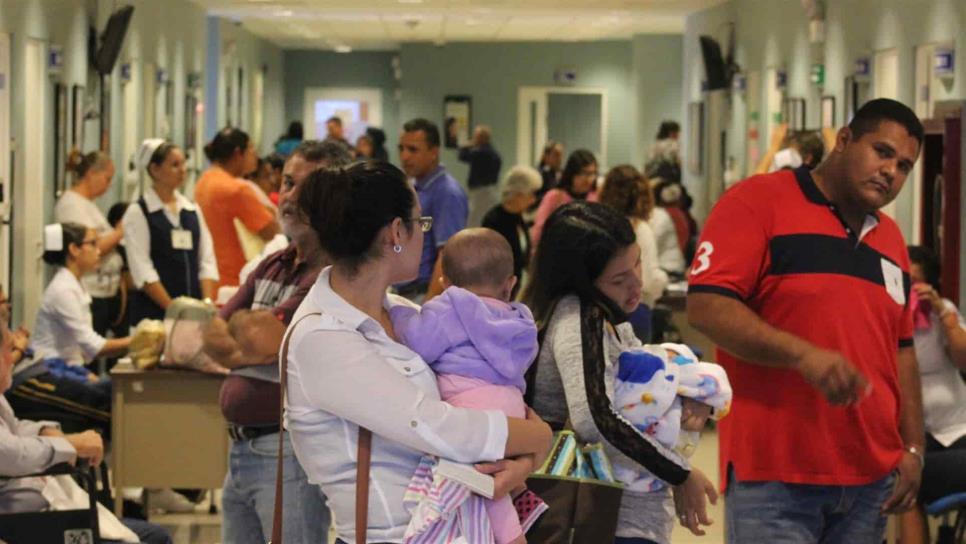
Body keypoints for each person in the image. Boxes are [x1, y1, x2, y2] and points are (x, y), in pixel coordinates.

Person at [687, 98, 926, 543]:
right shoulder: (758, 201)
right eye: (882, 151)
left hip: (869, 479)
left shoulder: (891, 240)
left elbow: (903, 350)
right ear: (844, 140)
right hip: (776, 477)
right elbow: (706, 305)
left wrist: (913, 448)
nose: (891, 171)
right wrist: (801, 354)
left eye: (905, 165)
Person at [284, 160, 552, 543]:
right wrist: (540, 438)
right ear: (396, 231)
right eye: (422, 223)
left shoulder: (408, 314)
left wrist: (526, 457)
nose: (426, 236)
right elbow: (439, 426)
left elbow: (485, 397)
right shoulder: (321, 336)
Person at [523, 201, 718, 544]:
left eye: (638, 263)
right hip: (603, 516)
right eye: (618, 279)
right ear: (582, 281)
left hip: (618, 512)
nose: (636, 284)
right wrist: (679, 473)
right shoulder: (580, 317)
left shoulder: (598, 315)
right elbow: (594, 418)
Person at [202, 140, 352, 544]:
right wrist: (249, 340)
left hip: (287, 454)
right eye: (287, 182)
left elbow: (262, 338)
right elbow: (211, 333)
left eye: (306, 188)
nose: (290, 196)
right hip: (240, 450)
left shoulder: (331, 274)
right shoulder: (275, 263)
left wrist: (248, 337)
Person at [391, 228, 544, 544]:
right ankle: (523, 511)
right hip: (513, 405)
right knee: (502, 477)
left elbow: (419, 342)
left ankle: (514, 537)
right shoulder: (521, 320)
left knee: (486, 489)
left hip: (472, 405)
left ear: (445, 281)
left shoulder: (451, 308)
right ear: (511, 284)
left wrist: (400, 311)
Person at [0, 303, 174, 544]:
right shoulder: (62, 290)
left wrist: (47, 431)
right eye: (10, 350)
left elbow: (14, 429)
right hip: (23, 522)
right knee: (154, 538)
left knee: (152, 534)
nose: (15, 357)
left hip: (39, 508)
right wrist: (70, 445)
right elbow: (9, 452)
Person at [7, 224, 130, 437]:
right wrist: (139, 340)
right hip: (51, 368)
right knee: (109, 400)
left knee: (113, 391)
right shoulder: (63, 289)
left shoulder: (74, 284)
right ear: (74, 249)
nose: (99, 249)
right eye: (92, 243)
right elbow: (94, 346)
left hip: (69, 368)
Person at [900, 246, 966, 544]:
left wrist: (940, 310)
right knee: (907, 485)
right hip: (919, 439)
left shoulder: (945, 312)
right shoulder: (888, 316)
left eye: (917, 284)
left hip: (958, 431)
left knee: (911, 484)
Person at [122, 139, 219, 327]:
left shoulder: (191, 210)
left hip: (193, 315)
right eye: (175, 165)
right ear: (155, 169)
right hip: (154, 315)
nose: (183, 170)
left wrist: (206, 305)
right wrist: (174, 310)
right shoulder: (139, 212)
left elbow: (206, 259)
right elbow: (142, 270)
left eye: (183, 163)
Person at [194, 127, 280, 288]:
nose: (255, 155)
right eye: (252, 149)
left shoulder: (203, 181)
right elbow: (272, 232)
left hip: (210, 277)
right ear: (238, 153)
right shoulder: (236, 189)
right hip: (235, 278)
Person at [395, 118, 468, 300]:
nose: (404, 156)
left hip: (422, 294)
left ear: (434, 152)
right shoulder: (414, 186)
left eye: (413, 149)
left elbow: (447, 256)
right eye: (401, 149)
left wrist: (428, 307)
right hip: (404, 292)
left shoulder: (446, 193)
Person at [55, 151, 125, 338]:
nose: (109, 185)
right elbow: (93, 247)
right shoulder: (71, 204)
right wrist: (120, 232)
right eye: (107, 178)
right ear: (91, 173)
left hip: (104, 291)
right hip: (89, 288)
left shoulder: (90, 205)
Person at [599, 165, 669, 341]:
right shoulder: (641, 229)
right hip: (635, 310)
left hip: (603, 311)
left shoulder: (598, 226)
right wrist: (664, 280)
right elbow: (649, 280)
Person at [481, 165, 542, 299]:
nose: (533, 200)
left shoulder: (519, 217)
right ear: (518, 194)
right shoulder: (493, 220)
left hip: (516, 289)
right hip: (497, 292)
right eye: (531, 194)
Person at [529, 149, 599, 247]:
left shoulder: (597, 198)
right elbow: (539, 229)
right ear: (572, 173)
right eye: (584, 173)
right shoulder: (555, 197)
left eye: (592, 173)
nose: (589, 179)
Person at [458, 125, 503, 228]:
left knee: (473, 222)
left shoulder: (480, 152)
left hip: (480, 192)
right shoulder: (494, 152)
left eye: (476, 136)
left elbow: (462, 156)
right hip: (491, 190)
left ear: (481, 138)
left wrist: (468, 145)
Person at [647, 180, 687, 277]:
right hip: (678, 265)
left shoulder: (661, 214)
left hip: (666, 268)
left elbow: (652, 242)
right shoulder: (681, 214)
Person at [534, 140, 564, 205]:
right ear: (546, 156)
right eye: (556, 155)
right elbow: (533, 198)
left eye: (561, 155)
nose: (560, 158)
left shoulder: (562, 173)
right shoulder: (537, 175)